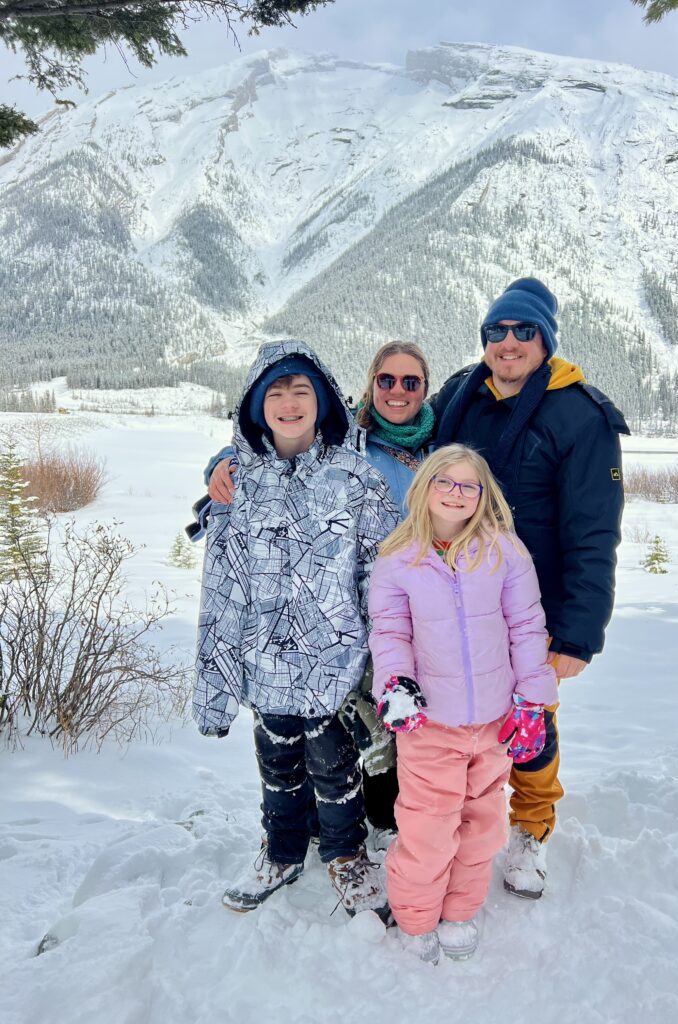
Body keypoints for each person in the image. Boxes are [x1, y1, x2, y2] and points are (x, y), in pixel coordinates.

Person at [432, 277, 629, 900]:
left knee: (530, 721)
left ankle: (531, 827)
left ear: (545, 339)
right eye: (497, 331)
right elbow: (386, 432)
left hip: (530, 609)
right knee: (462, 719)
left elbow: (594, 532)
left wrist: (577, 632)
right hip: (454, 599)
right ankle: (465, 817)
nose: (509, 343)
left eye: (524, 332)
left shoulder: (579, 412)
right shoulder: (462, 394)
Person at [194, 339, 399, 919]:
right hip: (264, 663)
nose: (288, 402)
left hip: (333, 667)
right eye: (275, 392)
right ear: (257, 406)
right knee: (276, 763)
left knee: (336, 768)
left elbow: (379, 576)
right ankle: (281, 852)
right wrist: (215, 687)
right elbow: (222, 589)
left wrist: (386, 666)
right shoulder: (237, 485)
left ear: (323, 400)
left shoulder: (355, 479)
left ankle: (347, 856)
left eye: (301, 390)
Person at [368, 444, 558, 963]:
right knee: (428, 828)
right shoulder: (397, 557)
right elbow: (388, 631)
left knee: (482, 826)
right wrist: (395, 683)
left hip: (496, 722)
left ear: (483, 495)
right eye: (445, 482)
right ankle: (416, 917)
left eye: (467, 485)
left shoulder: (506, 553)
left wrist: (533, 701)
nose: (456, 493)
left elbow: (526, 628)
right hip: (429, 724)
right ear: (425, 487)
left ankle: (459, 911)